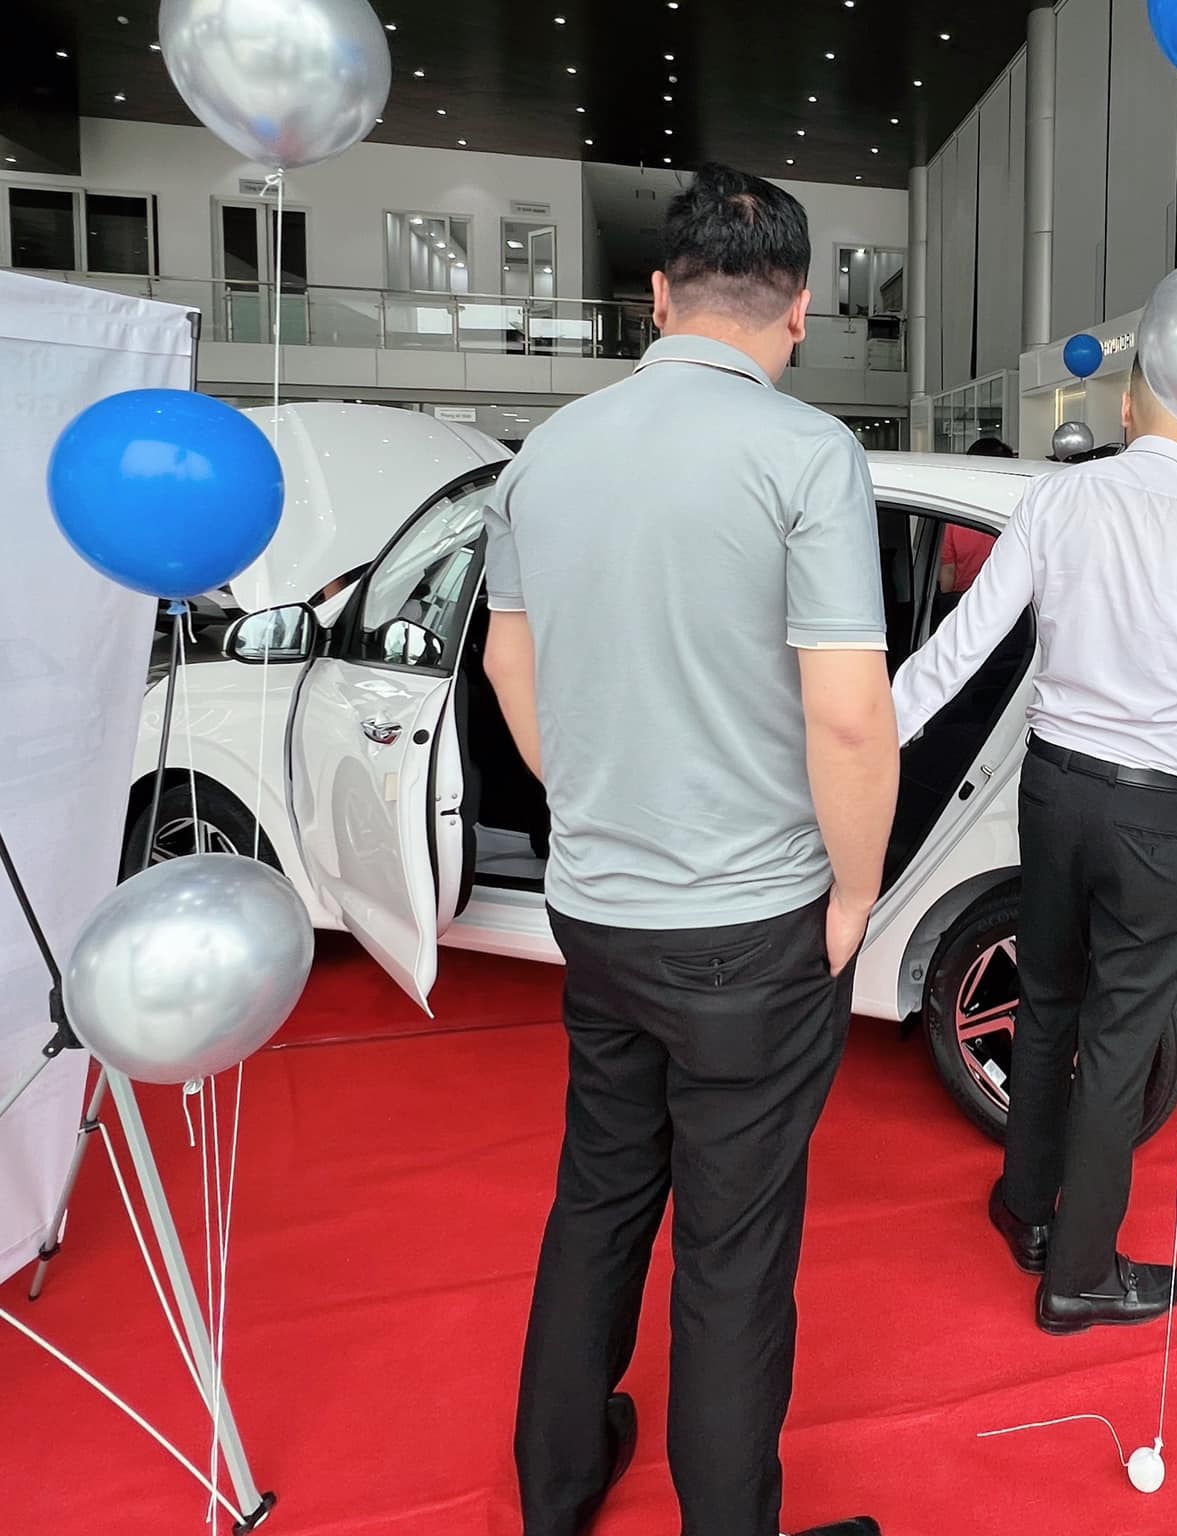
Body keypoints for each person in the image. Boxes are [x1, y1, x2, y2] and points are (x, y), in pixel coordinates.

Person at [481, 164, 891, 1536]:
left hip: (598, 910)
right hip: (752, 925)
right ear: (801, 311)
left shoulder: (543, 454)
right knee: (733, 1250)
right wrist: (856, 892)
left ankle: (555, 1492)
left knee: (599, 1195)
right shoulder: (807, 454)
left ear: (656, 297)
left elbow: (510, 667)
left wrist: (599, 800)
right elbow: (848, 714)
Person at [894, 356, 1177, 1334]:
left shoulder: (1056, 499)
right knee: (1122, 1036)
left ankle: (1025, 1208)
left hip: (1054, 790)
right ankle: (1080, 1272)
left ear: (1124, 408)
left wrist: (875, 737)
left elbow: (962, 644)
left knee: (1046, 1003)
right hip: (1159, 811)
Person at [938, 438, 1013, 596]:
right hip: (1005, 599)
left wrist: (944, 603)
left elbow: (948, 571)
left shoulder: (956, 512)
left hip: (965, 598)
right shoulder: (1017, 510)